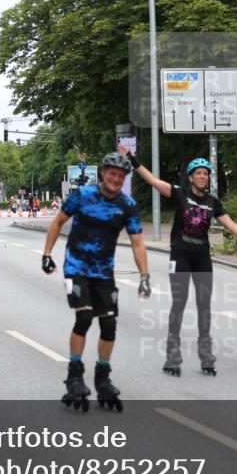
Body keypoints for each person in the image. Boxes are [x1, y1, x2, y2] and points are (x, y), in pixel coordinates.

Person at [118, 144, 237, 377]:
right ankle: (173, 357)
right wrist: (132, 160)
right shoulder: (180, 193)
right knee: (179, 304)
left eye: (205, 173)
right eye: (198, 173)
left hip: (201, 257)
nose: (202, 176)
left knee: (204, 307)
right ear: (191, 177)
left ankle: (206, 357)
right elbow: (153, 181)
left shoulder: (212, 202)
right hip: (180, 254)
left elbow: (231, 225)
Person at [42, 152, 151, 412]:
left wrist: (144, 276)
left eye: (120, 176)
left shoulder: (127, 205)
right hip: (76, 267)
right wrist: (47, 254)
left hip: (104, 272)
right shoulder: (82, 196)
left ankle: (103, 377)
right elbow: (58, 223)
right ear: (103, 173)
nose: (115, 178)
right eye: (112, 173)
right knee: (84, 317)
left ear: (123, 179)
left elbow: (137, 242)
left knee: (109, 324)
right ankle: (75, 374)